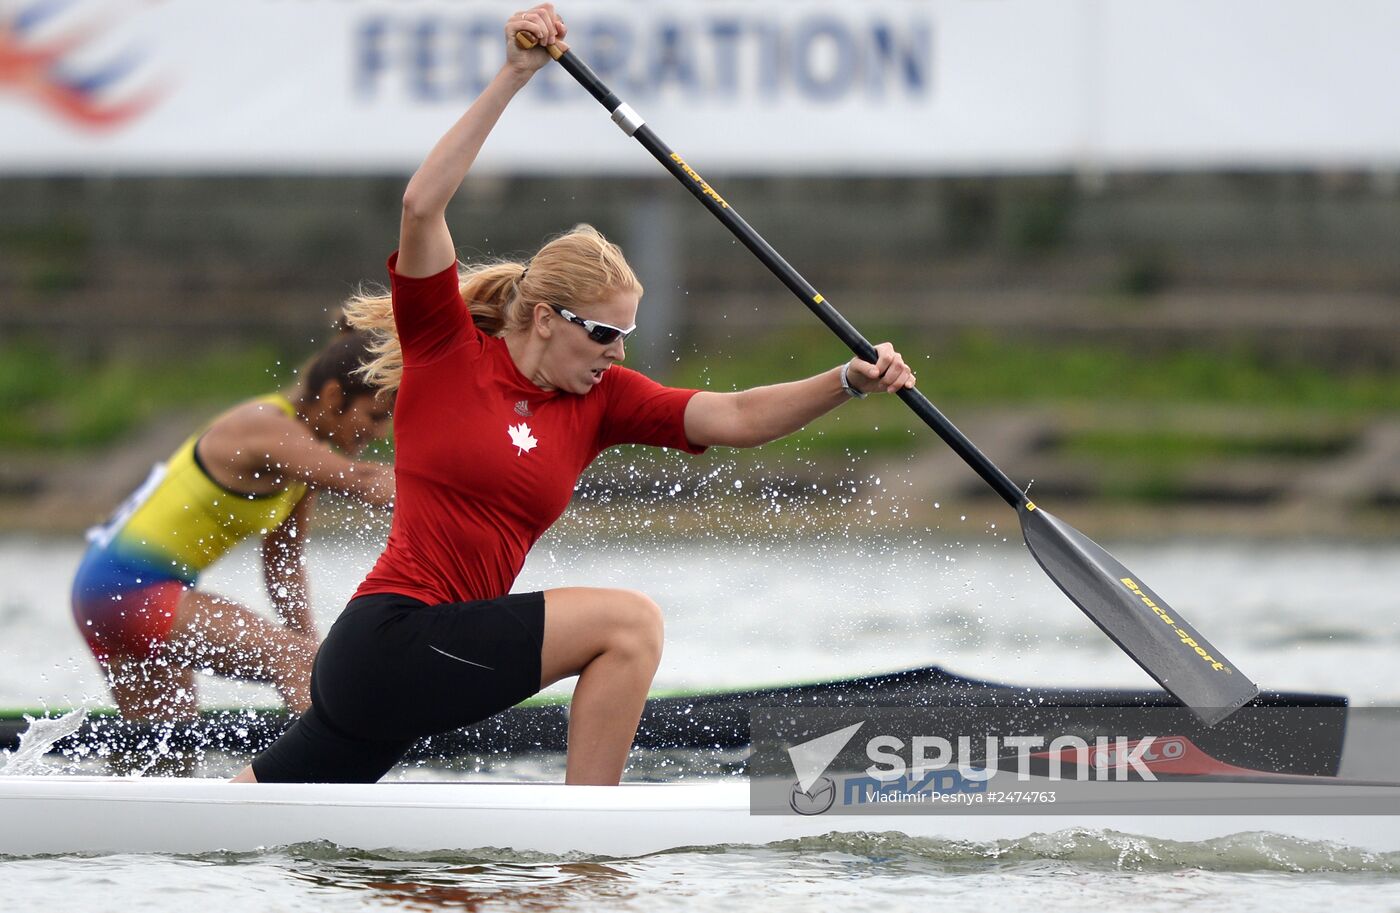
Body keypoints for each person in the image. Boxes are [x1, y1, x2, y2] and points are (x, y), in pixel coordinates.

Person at [238, 3, 915, 786]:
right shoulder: (446, 348)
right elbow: (422, 205)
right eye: (602, 333)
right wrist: (514, 76)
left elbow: (732, 415)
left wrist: (845, 381)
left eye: (626, 334)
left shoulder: (603, 399)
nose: (617, 352)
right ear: (540, 318)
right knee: (629, 624)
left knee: (325, 853)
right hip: (391, 639)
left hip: (409, 667)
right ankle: (586, 841)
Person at [71, 329, 395, 725]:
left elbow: (284, 563)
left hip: (101, 595)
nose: (381, 432)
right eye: (375, 416)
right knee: (291, 657)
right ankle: (336, 771)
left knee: (167, 751)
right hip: (129, 589)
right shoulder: (263, 428)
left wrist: (311, 650)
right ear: (332, 396)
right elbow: (363, 481)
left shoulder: (304, 460)